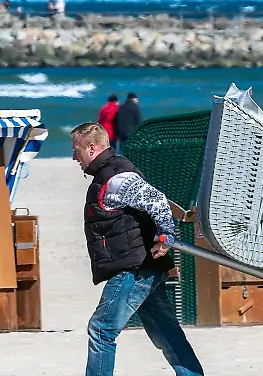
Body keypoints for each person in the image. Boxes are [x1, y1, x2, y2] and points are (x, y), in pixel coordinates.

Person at [70, 123, 204, 376]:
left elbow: (157, 200)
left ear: (91, 148)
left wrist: (166, 236)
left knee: (101, 330)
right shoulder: (109, 173)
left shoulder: (117, 176)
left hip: (134, 270)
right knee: (165, 330)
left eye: (76, 150)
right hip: (143, 266)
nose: (73, 157)